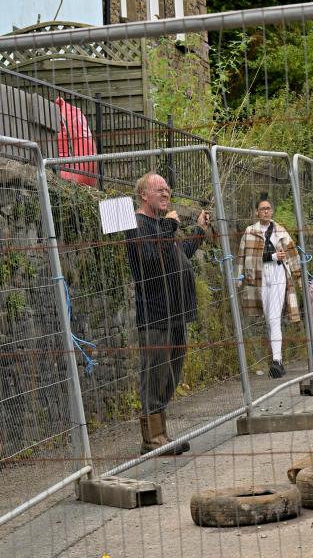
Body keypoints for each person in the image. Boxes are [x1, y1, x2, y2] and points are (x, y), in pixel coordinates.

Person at [124, 172, 210, 455]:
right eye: (158, 189)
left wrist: (197, 232)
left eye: (167, 189)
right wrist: (170, 228)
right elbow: (148, 263)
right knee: (155, 375)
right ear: (143, 195)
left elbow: (177, 255)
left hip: (177, 313)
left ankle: (161, 434)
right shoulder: (137, 225)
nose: (165, 193)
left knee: (171, 375)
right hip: (156, 314)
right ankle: (152, 439)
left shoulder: (162, 226)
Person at [236, 196, 303, 378]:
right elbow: (242, 256)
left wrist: (299, 278)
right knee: (267, 317)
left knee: (273, 317)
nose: (266, 211)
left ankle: (277, 360)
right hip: (258, 277)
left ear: (272, 211)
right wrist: (238, 279)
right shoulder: (250, 232)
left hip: (278, 275)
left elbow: (293, 255)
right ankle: (276, 359)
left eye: (268, 208)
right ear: (256, 212)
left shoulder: (281, 231)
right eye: (262, 208)